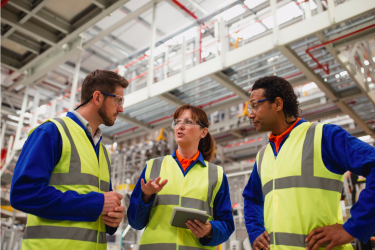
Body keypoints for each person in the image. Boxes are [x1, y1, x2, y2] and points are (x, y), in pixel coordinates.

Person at [242, 76, 375, 250]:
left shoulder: (323, 136)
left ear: (278, 104)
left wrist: (352, 228)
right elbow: (252, 198)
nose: (251, 114)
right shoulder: (262, 156)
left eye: (255, 105)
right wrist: (255, 232)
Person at [11, 70, 129, 250]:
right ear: (97, 97)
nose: (121, 108)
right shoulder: (52, 132)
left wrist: (111, 220)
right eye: (117, 100)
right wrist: (95, 203)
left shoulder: (103, 152)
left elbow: (100, 207)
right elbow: (23, 193)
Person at [127, 104, 234, 250]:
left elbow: (227, 225)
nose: (180, 126)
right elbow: (135, 222)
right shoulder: (153, 167)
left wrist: (210, 230)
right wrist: (145, 197)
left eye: (188, 122)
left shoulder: (216, 175)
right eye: (177, 122)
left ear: (203, 132)